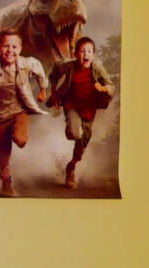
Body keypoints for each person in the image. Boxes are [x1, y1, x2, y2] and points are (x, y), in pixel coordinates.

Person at [0, 26, 49, 195]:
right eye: (6, 46)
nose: (10, 50)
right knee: (2, 149)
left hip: (20, 109)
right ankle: (6, 179)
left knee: (20, 140)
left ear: (20, 49)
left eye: (14, 47)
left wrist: (43, 89)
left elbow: (39, 68)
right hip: (0, 113)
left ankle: (18, 134)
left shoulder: (26, 63)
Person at [47, 34, 115, 190]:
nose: (86, 55)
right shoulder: (68, 66)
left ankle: (71, 167)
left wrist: (103, 88)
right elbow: (55, 72)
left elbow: (111, 85)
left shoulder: (97, 68)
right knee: (75, 133)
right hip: (72, 104)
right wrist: (54, 92)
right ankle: (71, 128)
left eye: (89, 51)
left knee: (81, 147)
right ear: (76, 54)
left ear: (94, 55)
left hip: (89, 109)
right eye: (82, 51)